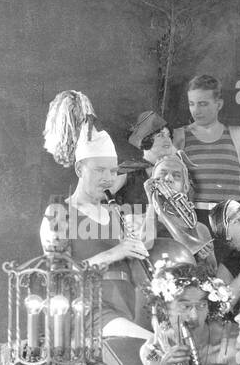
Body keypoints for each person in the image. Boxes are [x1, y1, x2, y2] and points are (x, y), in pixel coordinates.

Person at [38, 123, 154, 339]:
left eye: (113, 171)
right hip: (86, 312)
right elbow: (60, 277)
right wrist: (115, 252)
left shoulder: (118, 213)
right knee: (152, 344)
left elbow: (141, 263)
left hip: (126, 310)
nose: (108, 179)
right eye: (99, 170)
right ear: (79, 169)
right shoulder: (58, 212)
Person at [175, 74, 240, 221]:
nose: (196, 110)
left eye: (203, 104)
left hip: (231, 217)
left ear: (219, 104)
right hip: (193, 218)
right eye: (192, 103)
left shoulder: (238, 135)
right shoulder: (179, 136)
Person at [145, 154, 218, 272]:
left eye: (177, 175)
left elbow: (213, 269)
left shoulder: (200, 229)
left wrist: (204, 259)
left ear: (185, 187)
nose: (168, 179)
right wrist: (151, 202)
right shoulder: (138, 220)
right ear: (151, 181)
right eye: (162, 174)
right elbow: (143, 251)